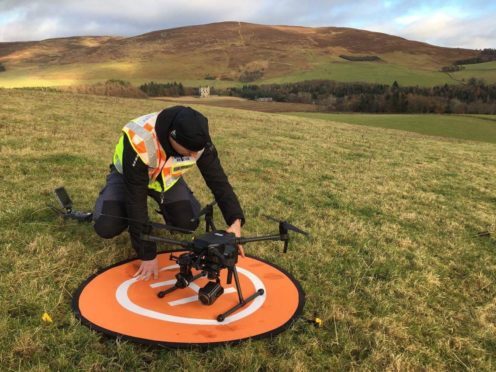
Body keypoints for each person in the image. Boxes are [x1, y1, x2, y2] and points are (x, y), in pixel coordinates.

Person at [92, 106, 245, 281]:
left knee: (187, 223)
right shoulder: (141, 140)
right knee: (107, 225)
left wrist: (235, 221)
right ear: (172, 136)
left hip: (165, 181)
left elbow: (218, 182)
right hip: (128, 177)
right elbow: (136, 199)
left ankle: (162, 211)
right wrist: (147, 253)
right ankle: (121, 216)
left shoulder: (197, 137)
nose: (194, 155)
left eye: (196, 151)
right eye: (188, 151)